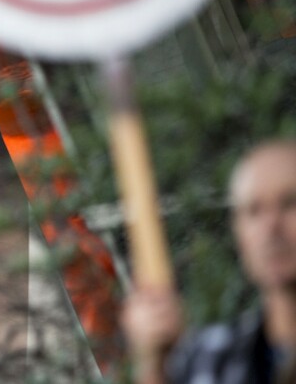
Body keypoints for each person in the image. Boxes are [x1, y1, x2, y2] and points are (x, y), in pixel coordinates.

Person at [123, 140, 296, 384]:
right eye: (254, 211)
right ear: (239, 233)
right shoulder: (212, 358)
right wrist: (154, 365)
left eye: (290, 203)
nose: (271, 227)